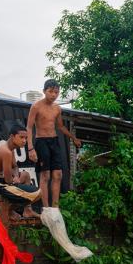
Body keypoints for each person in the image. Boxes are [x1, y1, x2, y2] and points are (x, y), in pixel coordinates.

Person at [26, 79, 81, 209]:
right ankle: (45, 208)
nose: (53, 95)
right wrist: (30, 148)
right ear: (44, 91)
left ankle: (55, 208)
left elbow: (60, 127)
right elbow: (28, 127)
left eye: (56, 92)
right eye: (51, 91)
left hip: (54, 141)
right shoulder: (36, 106)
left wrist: (73, 137)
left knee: (58, 174)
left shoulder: (57, 108)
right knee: (45, 175)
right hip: (41, 142)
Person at [0, 123, 41, 220]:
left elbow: (15, 167)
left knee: (25, 175)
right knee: (38, 193)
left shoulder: (10, 149)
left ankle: (27, 210)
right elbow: (8, 180)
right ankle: (6, 211)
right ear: (12, 136)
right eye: (21, 137)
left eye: (26, 138)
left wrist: (16, 177)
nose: (24, 141)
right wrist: (14, 182)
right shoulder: (6, 151)